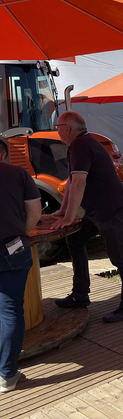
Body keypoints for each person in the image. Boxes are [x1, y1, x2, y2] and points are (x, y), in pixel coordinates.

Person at [51, 112, 123, 323]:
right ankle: (80, 295)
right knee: (75, 239)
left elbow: (79, 182)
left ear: (67, 128)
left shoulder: (81, 145)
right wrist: (63, 212)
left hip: (111, 209)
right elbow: (71, 182)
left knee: (120, 259)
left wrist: (69, 217)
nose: (57, 131)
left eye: (57, 127)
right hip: (97, 209)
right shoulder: (79, 145)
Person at [0, 139, 42, 393]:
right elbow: (35, 213)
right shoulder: (18, 174)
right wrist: (21, 233)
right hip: (11, 249)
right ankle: (7, 375)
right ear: (3, 153)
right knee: (10, 311)